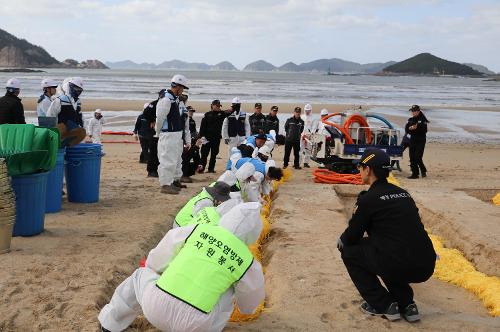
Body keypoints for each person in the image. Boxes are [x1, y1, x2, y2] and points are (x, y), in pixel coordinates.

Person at [98, 202, 265, 332]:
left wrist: (156, 270)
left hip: (155, 307)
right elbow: (249, 304)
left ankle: (110, 323)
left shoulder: (199, 230)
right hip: (196, 326)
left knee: (139, 275)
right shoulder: (248, 261)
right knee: (229, 291)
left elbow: (161, 254)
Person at [337, 148, 436, 323]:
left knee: (350, 251)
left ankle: (383, 304)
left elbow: (352, 237)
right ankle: (407, 304)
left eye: (360, 167)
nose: (359, 171)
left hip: (397, 262)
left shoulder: (369, 199)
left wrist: (342, 240)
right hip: (425, 263)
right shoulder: (404, 194)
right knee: (387, 248)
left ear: (368, 169)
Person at [155, 74, 189, 195]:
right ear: (178, 86)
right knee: (167, 160)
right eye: (182, 88)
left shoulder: (176, 99)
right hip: (168, 134)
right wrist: (158, 133)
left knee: (176, 159)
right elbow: (160, 118)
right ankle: (165, 185)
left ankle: (174, 181)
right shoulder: (166, 99)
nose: (183, 90)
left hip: (176, 134)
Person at [199, 99, 227, 173]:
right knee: (204, 154)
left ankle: (211, 169)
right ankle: (201, 169)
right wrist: (201, 137)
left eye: (219, 106)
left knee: (214, 154)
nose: (218, 107)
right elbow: (202, 127)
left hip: (216, 138)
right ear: (212, 105)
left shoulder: (221, 114)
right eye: (217, 106)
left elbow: (229, 111)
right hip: (206, 138)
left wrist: (234, 106)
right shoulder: (207, 114)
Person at [143, 89, 166, 177]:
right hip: (154, 132)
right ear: (159, 95)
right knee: (153, 151)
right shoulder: (154, 104)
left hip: (164, 132)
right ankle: (151, 171)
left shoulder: (168, 104)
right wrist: (151, 121)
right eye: (163, 95)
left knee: (162, 153)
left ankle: (159, 170)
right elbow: (145, 113)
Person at [405, 105, 429, 179]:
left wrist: (414, 129)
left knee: (418, 157)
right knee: (412, 157)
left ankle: (423, 170)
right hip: (412, 139)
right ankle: (415, 174)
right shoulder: (410, 119)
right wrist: (412, 128)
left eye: (414, 111)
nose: (413, 112)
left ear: (418, 111)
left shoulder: (423, 119)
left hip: (421, 140)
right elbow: (407, 129)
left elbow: (424, 130)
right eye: (412, 111)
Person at [181, 106, 201, 183]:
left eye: (193, 111)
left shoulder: (192, 121)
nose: (192, 112)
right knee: (186, 156)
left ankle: (195, 168)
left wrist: (198, 136)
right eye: (190, 111)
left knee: (194, 154)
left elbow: (194, 131)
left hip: (191, 140)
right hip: (184, 141)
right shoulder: (183, 119)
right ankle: (184, 174)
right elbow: (185, 131)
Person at [301, 103, 317, 168]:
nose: (307, 111)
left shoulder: (313, 118)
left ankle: (306, 163)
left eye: (309, 110)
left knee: (308, 150)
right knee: (300, 149)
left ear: (311, 110)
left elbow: (314, 128)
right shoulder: (301, 117)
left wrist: (310, 135)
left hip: (309, 136)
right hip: (302, 136)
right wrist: (301, 134)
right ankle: (298, 163)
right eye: (306, 110)